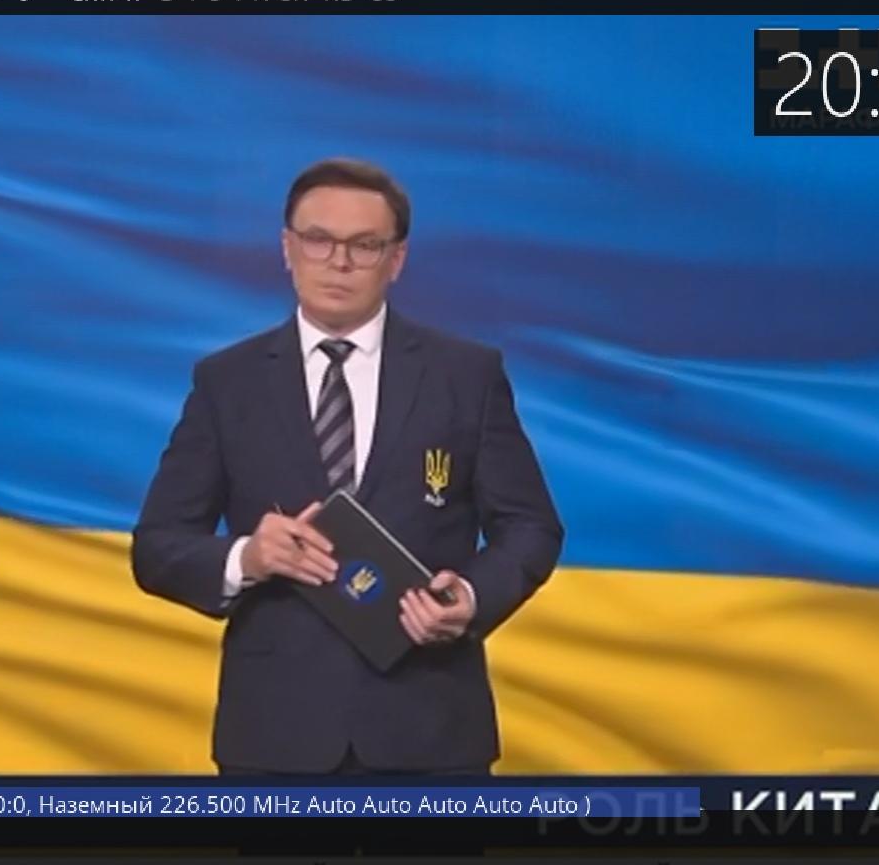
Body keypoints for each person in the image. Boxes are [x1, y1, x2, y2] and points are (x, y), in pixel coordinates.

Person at [132, 157, 563, 776]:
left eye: (364, 245)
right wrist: (248, 558)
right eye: (318, 239)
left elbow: (530, 527)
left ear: (397, 259)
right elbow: (158, 546)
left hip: (431, 731)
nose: (339, 262)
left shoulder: (465, 376)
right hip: (276, 739)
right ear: (287, 248)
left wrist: (469, 598)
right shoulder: (227, 383)